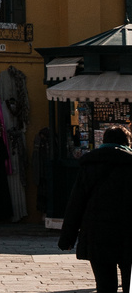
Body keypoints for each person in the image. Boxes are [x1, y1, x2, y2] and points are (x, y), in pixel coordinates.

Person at [59, 125, 132, 293]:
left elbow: (76, 204)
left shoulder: (90, 165)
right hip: (128, 234)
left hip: (97, 235)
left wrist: (67, 239)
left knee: (105, 285)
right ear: (127, 143)